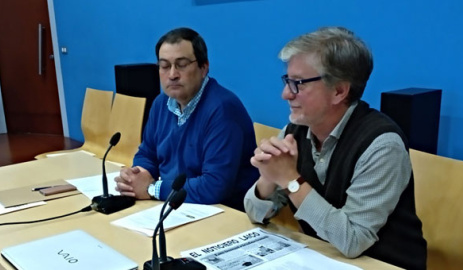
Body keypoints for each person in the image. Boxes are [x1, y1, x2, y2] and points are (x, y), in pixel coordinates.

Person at [244, 27, 426, 269]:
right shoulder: (296, 130)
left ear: (339, 91)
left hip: (381, 263)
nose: (286, 94)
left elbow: (353, 240)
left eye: (298, 83)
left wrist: (290, 179)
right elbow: (254, 213)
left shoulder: (382, 144)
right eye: (287, 81)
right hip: (323, 257)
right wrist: (269, 177)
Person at [115, 27, 258, 211]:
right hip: (175, 206)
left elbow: (214, 186)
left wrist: (152, 189)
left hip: (222, 212)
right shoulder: (161, 103)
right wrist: (137, 176)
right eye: (165, 66)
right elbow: (147, 153)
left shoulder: (222, 109)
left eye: (181, 65)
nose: (172, 74)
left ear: (203, 67)